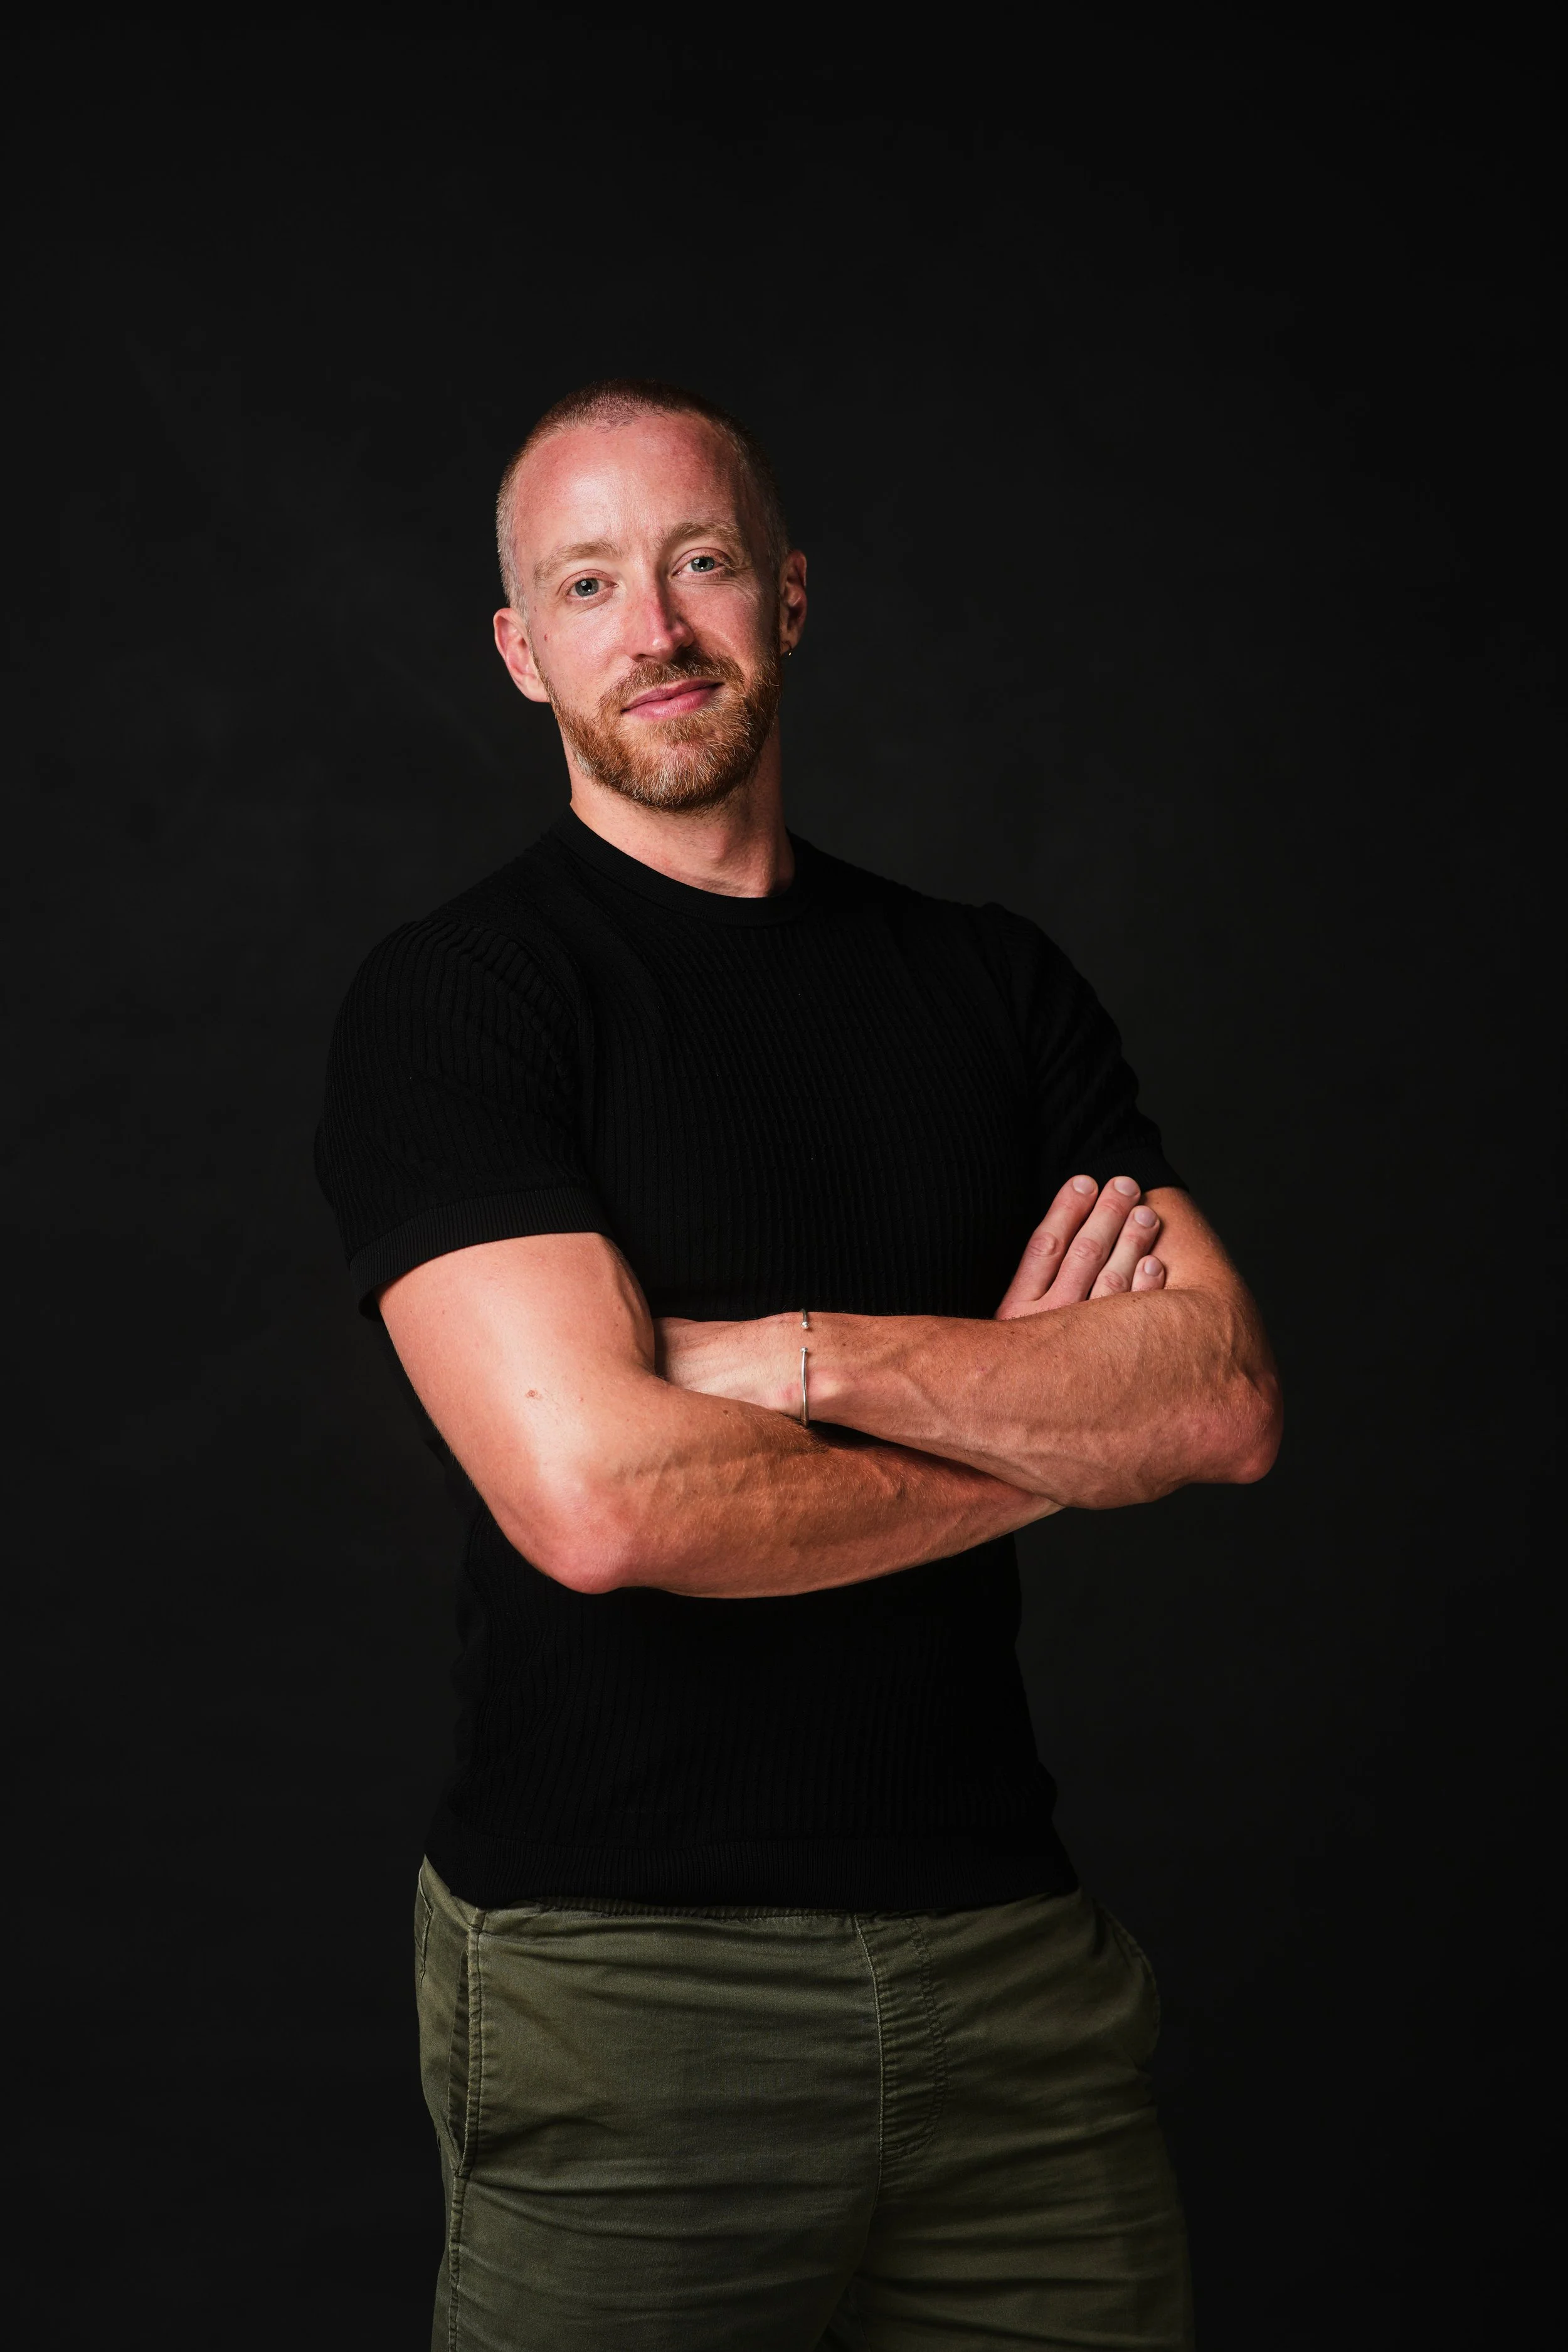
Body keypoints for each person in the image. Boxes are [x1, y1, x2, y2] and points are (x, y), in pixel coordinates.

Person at [316, 377, 1281, 2351]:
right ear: (522, 651)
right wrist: (1039, 1438)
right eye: (586, 584)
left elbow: (1214, 1396)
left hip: (1010, 1965)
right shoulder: (463, 1002)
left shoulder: (989, 983)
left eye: (698, 564)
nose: (652, 629)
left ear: (788, 596)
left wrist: (799, 1354)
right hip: (622, 1979)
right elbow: (599, 1502)